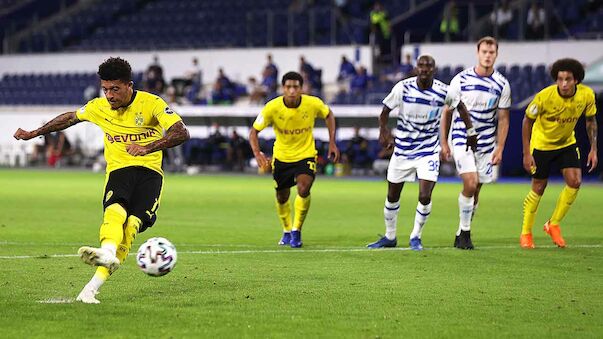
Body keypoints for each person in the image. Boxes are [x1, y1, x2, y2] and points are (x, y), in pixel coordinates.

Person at [13, 57, 190, 303]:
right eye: (105, 89)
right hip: (120, 170)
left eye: (115, 89)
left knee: (131, 226)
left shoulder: (152, 103)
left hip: (151, 175)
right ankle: (106, 253)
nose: (109, 95)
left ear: (129, 85)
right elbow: (70, 118)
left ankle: (91, 288)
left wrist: (148, 147)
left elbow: (181, 132)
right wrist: (35, 133)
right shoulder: (99, 106)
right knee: (115, 210)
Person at [367, 55, 476, 250]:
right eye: (421, 66)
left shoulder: (444, 91)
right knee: (392, 195)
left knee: (425, 195)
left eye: (428, 66)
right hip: (402, 150)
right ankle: (390, 236)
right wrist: (384, 132)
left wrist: (471, 131)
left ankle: (416, 236)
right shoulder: (403, 88)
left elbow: (460, 107)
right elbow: (384, 111)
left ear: (434, 69)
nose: (424, 69)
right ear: (416, 68)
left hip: (428, 152)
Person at [249, 71, 339, 248]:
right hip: (282, 157)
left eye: (295, 87)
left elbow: (328, 114)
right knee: (282, 196)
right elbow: (253, 132)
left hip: (305, 154)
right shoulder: (272, 107)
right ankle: (287, 229)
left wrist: (332, 142)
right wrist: (257, 153)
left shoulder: (312, 103)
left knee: (304, 188)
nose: (292, 91)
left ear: (301, 88)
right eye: (288, 87)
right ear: (283, 88)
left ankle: (297, 230)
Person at [441, 36, 511, 249]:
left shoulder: (502, 84)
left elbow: (504, 119)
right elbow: (447, 111)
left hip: (486, 143)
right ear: (477, 53)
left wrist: (499, 147)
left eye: (491, 52)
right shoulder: (460, 80)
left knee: (476, 190)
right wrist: (444, 142)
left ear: (496, 54)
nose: (488, 56)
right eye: (484, 52)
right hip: (462, 138)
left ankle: (460, 232)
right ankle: (466, 233)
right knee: (469, 184)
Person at [520, 58, 598, 249]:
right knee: (539, 187)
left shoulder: (587, 95)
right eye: (560, 79)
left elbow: (590, 121)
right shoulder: (544, 97)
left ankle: (553, 224)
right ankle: (526, 232)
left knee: (575, 181)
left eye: (568, 79)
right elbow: (527, 121)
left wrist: (594, 149)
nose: (563, 83)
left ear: (576, 80)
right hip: (542, 145)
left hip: (566, 143)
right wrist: (526, 153)